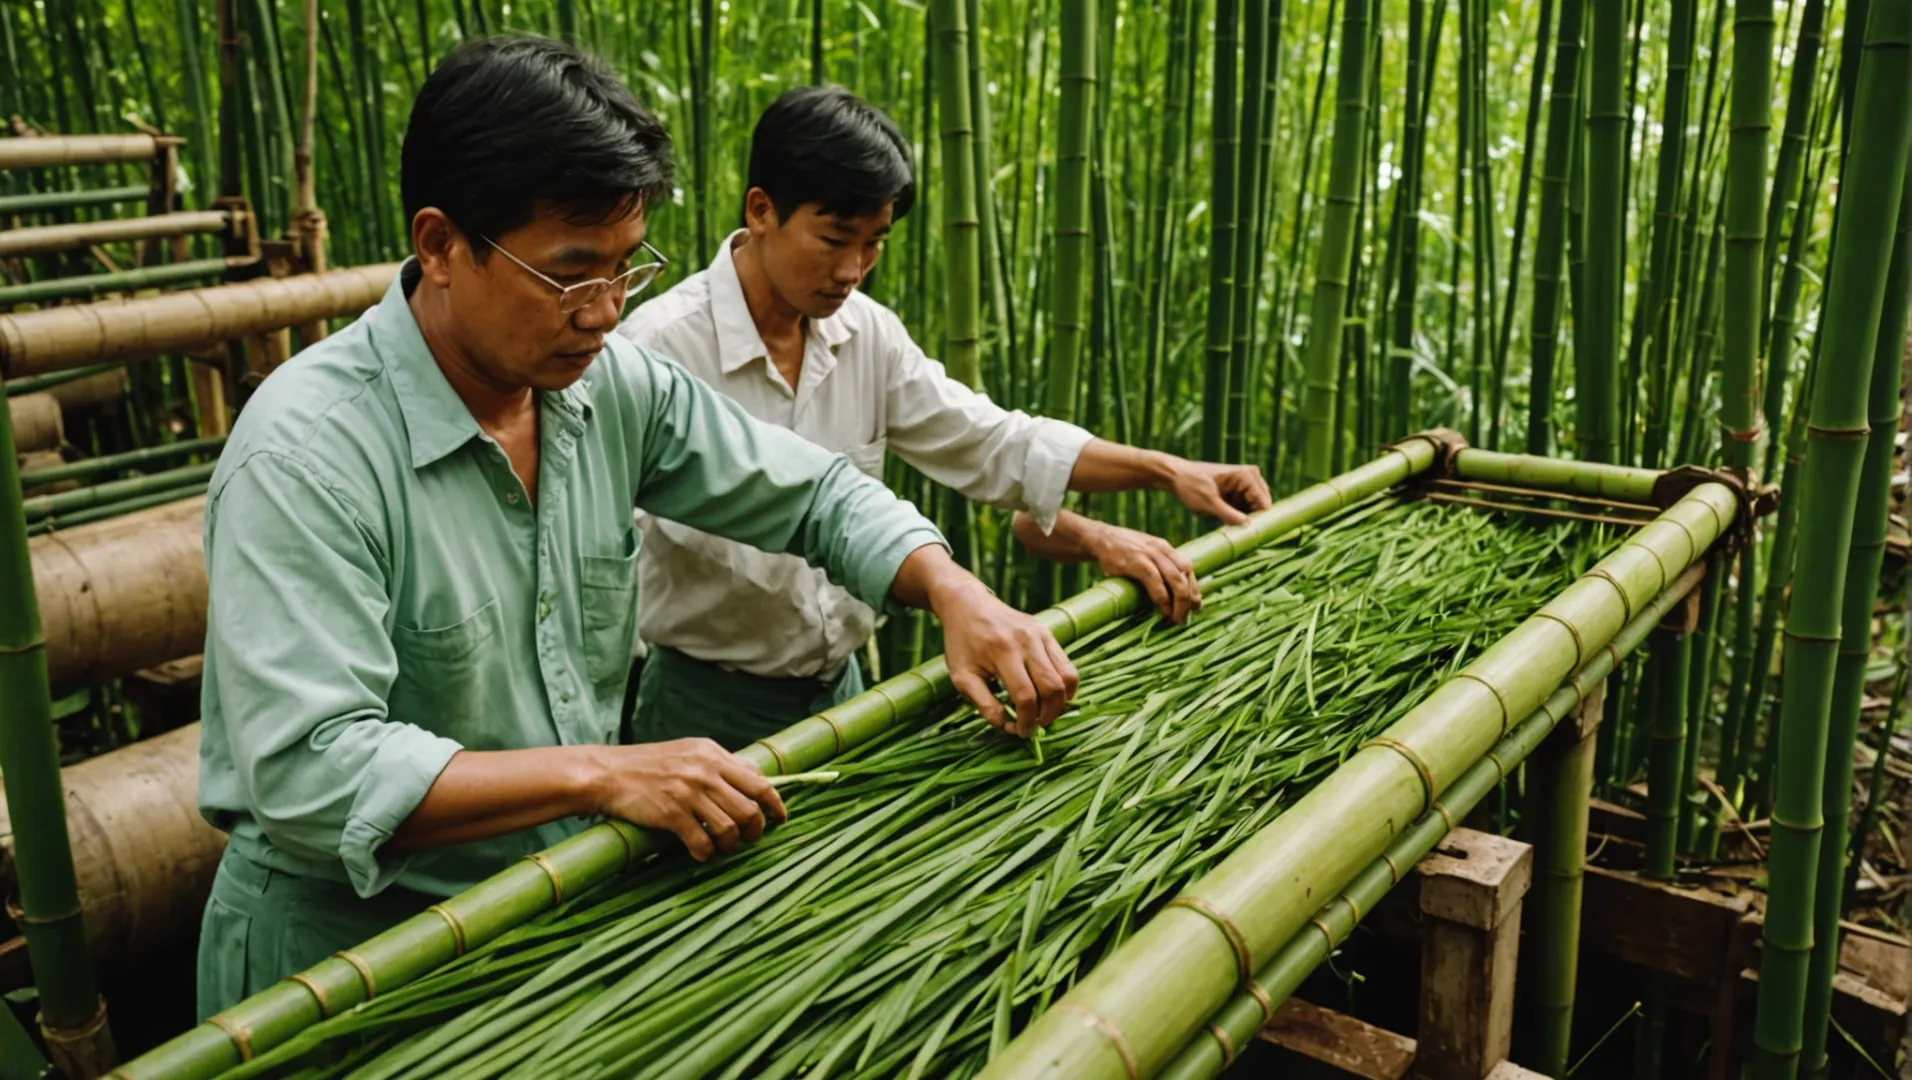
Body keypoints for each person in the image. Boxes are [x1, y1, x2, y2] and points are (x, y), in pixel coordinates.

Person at [194, 37, 1077, 1019]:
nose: (606, 313)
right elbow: (310, 768)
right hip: (346, 966)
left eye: (627, 270)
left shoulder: (608, 389)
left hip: (539, 922)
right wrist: (601, 774)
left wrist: (951, 588)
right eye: (572, 275)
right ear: (440, 245)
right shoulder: (306, 455)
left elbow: (814, 493)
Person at [619, 86, 1272, 748]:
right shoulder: (656, 351)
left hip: (848, 697)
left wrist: (1167, 471)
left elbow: (993, 442)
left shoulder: (867, 333)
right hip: (702, 715)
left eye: (874, 243)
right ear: (761, 210)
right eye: (834, 239)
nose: (853, 270)